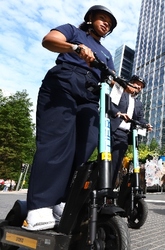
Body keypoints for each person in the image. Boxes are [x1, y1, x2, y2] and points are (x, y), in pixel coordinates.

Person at [24, 5, 119, 231]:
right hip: (64, 82)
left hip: (90, 95)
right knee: (57, 142)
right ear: (90, 19)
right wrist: (75, 48)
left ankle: (62, 201)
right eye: (102, 19)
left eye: (110, 23)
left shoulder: (106, 54)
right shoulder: (74, 32)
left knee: (85, 147)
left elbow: (111, 78)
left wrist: (119, 84)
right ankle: (40, 206)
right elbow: (49, 40)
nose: (106, 24)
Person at [109, 75, 153, 188]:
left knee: (116, 163)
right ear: (130, 82)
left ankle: (109, 189)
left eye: (141, 86)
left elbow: (140, 119)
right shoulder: (120, 91)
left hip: (123, 135)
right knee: (105, 160)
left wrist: (146, 125)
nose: (139, 87)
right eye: (137, 84)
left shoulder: (139, 104)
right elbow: (109, 104)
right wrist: (118, 114)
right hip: (111, 130)